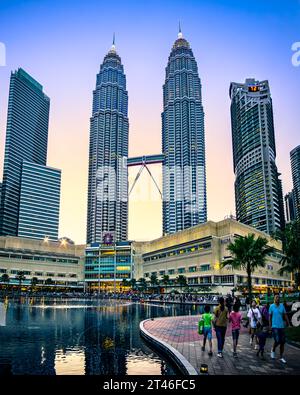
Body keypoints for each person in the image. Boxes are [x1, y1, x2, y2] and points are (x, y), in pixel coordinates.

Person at [269, 294, 290, 363]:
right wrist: (270, 326)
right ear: (274, 298)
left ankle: (281, 357)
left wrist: (288, 323)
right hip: (274, 326)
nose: (277, 298)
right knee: (277, 340)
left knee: (283, 342)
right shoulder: (271, 306)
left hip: (281, 326)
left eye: (278, 297)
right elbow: (270, 317)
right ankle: (273, 349)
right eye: (276, 297)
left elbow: (285, 315)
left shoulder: (282, 306)